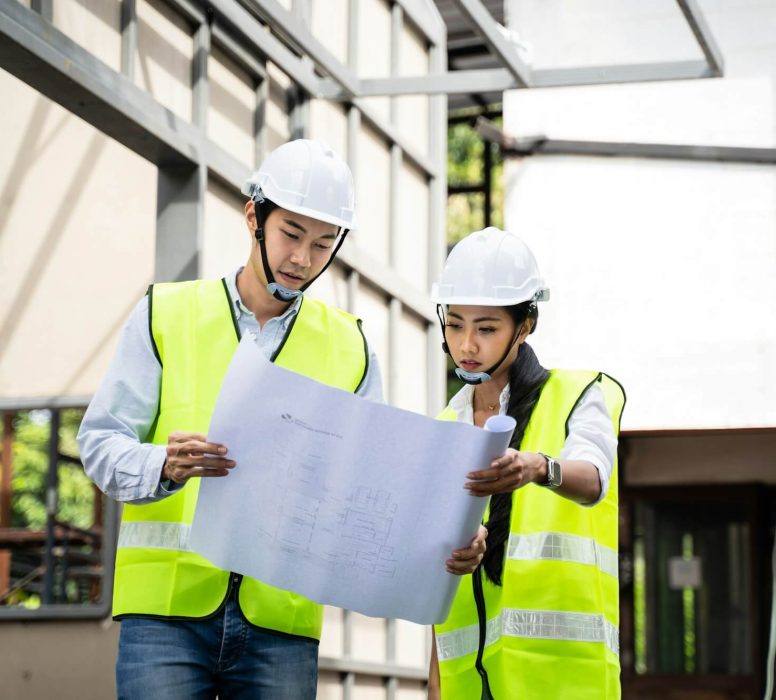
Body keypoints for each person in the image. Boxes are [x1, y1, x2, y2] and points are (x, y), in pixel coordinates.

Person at [78, 139, 486, 699]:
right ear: (254, 217)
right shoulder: (165, 313)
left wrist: (449, 535)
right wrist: (164, 465)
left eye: (323, 244)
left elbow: (374, 485)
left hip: (282, 625)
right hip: (165, 615)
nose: (302, 259)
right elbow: (100, 443)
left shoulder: (352, 347)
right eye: (292, 234)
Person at [427, 227, 626, 700]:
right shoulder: (442, 426)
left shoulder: (579, 394)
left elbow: (592, 479)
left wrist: (539, 468)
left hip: (563, 682)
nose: (467, 345)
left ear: (526, 324)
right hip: (468, 685)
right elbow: (436, 581)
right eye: (455, 325)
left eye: (486, 327)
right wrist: (434, 687)